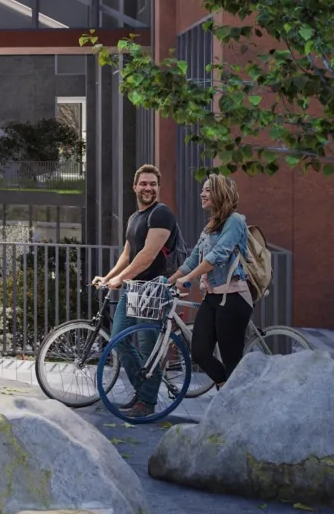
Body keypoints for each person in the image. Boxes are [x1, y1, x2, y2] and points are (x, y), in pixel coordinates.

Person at [89, 165, 177, 417]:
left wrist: (120, 279)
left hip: (153, 287)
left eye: (153, 184)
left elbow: (148, 256)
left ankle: (147, 403)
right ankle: (143, 394)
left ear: (158, 188)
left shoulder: (161, 214)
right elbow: (128, 255)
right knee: (118, 340)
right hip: (134, 288)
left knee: (148, 347)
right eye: (144, 184)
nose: (148, 188)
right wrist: (108, 277)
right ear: (135, 187)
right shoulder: (134, 218)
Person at [177, 174, 255, 391]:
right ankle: (227, 390)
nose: (202, 193)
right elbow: (194, 259)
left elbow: (218, 255)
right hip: (212, 297)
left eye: (208, 190)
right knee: (199, 352)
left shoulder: (236, 221)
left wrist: (188, 278)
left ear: (221, 193)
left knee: (232, 360)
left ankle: (234, 402)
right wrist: (170, 280)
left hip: (233, 298)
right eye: (203, 189)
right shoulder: (211, 225)